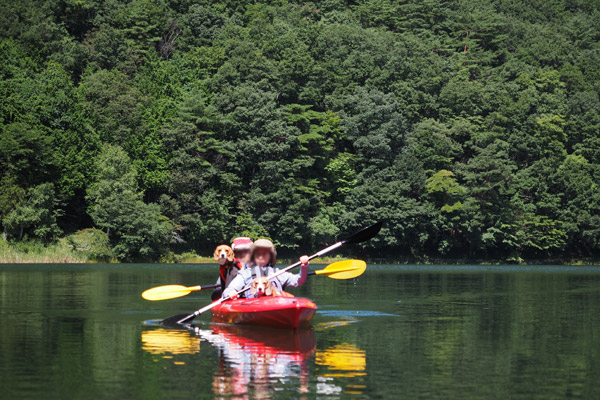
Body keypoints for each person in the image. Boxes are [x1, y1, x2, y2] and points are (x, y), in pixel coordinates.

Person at [222, 239, 309, 299]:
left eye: (265, 253)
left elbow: (299, 280)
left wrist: (304, 266)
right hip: (253, 305)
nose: (261, 256)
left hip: (275, 303)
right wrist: (231, 293)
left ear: (271, 256)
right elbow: (229, 289)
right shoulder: (245, 274)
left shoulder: (277, 273)